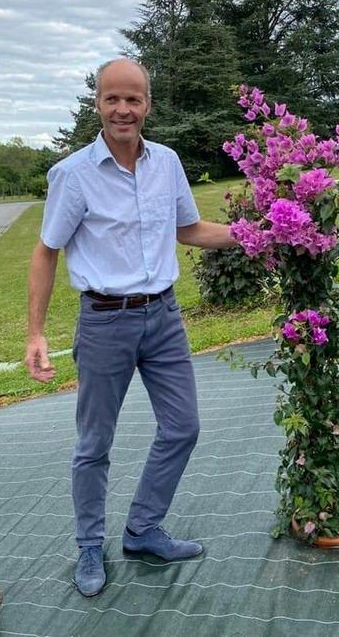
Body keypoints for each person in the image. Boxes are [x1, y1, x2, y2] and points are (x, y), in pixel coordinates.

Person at [25, 58, 236, 597]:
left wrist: (260, 233)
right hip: (103, 322)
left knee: (182, 427)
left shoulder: (166, 163)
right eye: (112, 98)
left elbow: (189, 228)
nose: (123, 109)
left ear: (148, 105)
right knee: (94, 443)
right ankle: (90, 545)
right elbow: (46, 252)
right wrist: (36, 333)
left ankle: (143, 529)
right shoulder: (73, 174)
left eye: (133, 99)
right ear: (98, 102)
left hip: (163, 316)